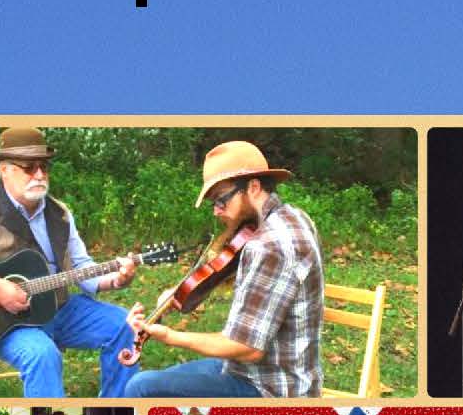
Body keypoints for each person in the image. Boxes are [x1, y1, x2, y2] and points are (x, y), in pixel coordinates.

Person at [0, 126, 140, 397]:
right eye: (28, 167)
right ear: (4, 169)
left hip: (57, 308)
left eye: (44, 166)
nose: (39, 175)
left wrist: (116, 278)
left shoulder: (59, 214)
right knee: (42, 354)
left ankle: (118, 413)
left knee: (127, 325)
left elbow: (81, 266)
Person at [125, 141, 323, 397]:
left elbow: (246, 347)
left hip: (271, 389)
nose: (217, 211)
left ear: (253, 187)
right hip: (254, 370)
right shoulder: (289, 218)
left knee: (141, 388)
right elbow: (217, 271)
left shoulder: (269, 246)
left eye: (222, 200)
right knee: (160, 380)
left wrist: (170, 336)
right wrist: (174, 296)